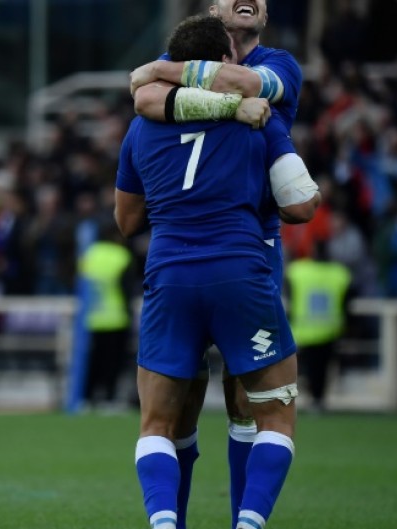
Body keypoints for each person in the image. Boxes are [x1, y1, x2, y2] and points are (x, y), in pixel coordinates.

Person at [117, 15, 309, 529]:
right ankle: (246, 523)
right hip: (242, 268)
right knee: (269, 414)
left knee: (160, 422)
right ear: (222, 60)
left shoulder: (142, 127)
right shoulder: (257, 122)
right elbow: (302, 205)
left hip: (170, 276)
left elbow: (126, 219)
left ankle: (164, 523)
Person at [285, 243, 352, 412]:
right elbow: (347, 301)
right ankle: (319, 400)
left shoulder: (298, 271)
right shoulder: (339, 273)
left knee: (308, 369)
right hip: (330, 329)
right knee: (323, 369)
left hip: (304, 330)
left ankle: (312, 398)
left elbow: (289, 294)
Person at [79, 218, 136, 410]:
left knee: (93, 360)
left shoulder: (90, 254)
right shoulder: (121, 256)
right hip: (116, 317)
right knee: (113, 362)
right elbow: (127, 289)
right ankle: (109, 398)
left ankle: (87, 398)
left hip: (92, 316)